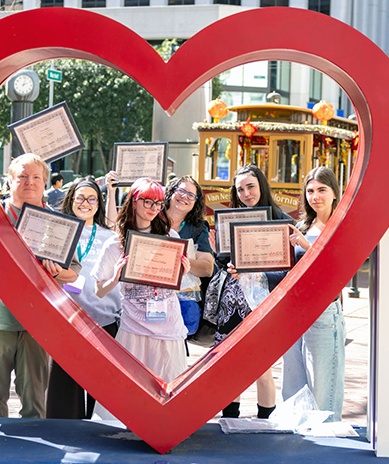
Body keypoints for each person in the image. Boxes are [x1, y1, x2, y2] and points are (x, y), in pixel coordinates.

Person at [0, 153, 80, 420]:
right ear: (9, 181)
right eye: (22, 176)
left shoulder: (57, 223)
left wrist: (60, 273)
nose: (29, 182)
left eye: (36, 177)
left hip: (38, 321)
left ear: (45, 182)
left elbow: (74, 272)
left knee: (35, 402)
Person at [91, 178, 190, 419]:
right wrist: (115, 277)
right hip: (134, 328)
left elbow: (176, 286)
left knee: (168, 394)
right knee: (126, 394)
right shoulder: (115, 243)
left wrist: (183, 272)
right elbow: (99, 290)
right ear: (134, 202)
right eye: (148, 201)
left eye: (158, 203)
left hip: (168, 327)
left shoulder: (171, 236)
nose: (154, 208)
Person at [209, 165, 290, 419]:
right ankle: (229, 421)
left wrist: (258, 274)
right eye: (240, 189)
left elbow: (289, 273)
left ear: (262, 185)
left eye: (250, 186)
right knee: (229, 366)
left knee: (260, 368)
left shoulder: (283, 222)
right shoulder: (231, 220)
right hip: (231, 303)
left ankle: (265, 425)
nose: (246, 193)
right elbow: (227, 265)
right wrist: (217, 252)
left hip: (261, 304)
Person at [45, 177, 121, 419]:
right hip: (68, 319)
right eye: (80, 197)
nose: (86, 203)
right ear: (71, 200)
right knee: (66, 392)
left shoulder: (109, 235)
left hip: (105, 319)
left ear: (98, 204)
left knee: (103, 393)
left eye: (92, 199)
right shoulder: (59, 231)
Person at [276, 166, 346, 421]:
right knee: (294, 386)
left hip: (324, 313)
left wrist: (308, 246)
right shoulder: (302, 225)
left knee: (322, 389)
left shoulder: (342, 226)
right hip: (295, 312)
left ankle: (326, 450)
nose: (315, 196)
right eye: (310, 191)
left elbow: (339, 271)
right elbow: (288, 270)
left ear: (334, 193)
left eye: (321, 190)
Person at [163, 176, 216, 335]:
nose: (185, 196)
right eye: (181, 191)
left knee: (186, 328)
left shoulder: (198, 227)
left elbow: (207, 268)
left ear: (195, 202)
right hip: (151, 293)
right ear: (171, 192)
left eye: (191, 195)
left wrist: (178, 259)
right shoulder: (153, 218)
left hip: (184, 297)